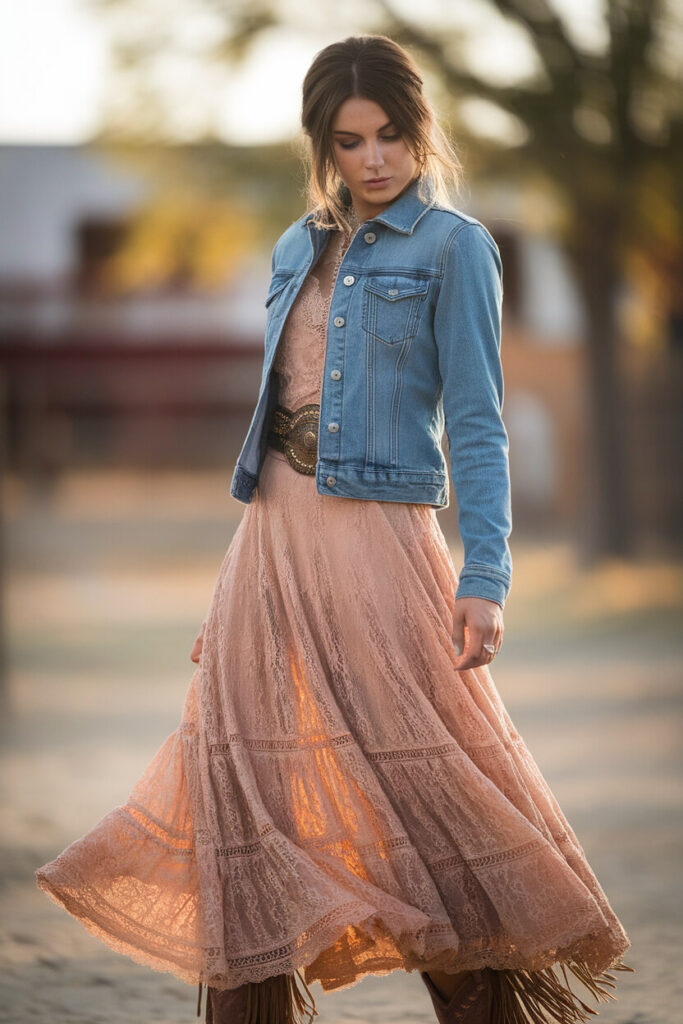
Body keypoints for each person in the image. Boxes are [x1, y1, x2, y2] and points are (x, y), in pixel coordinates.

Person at [36, 33, 632, 1024]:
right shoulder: (292, 245)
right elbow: (272, 421)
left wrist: (484, 575)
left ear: (419, 132)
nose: (373, 159)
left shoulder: (455, 248)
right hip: (268, 543)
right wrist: (234, 580)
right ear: (321, 143)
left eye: (391, 135)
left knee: (420, 809)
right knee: (243, 792)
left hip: (378, 548)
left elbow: (478, 425)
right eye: (350, 139)